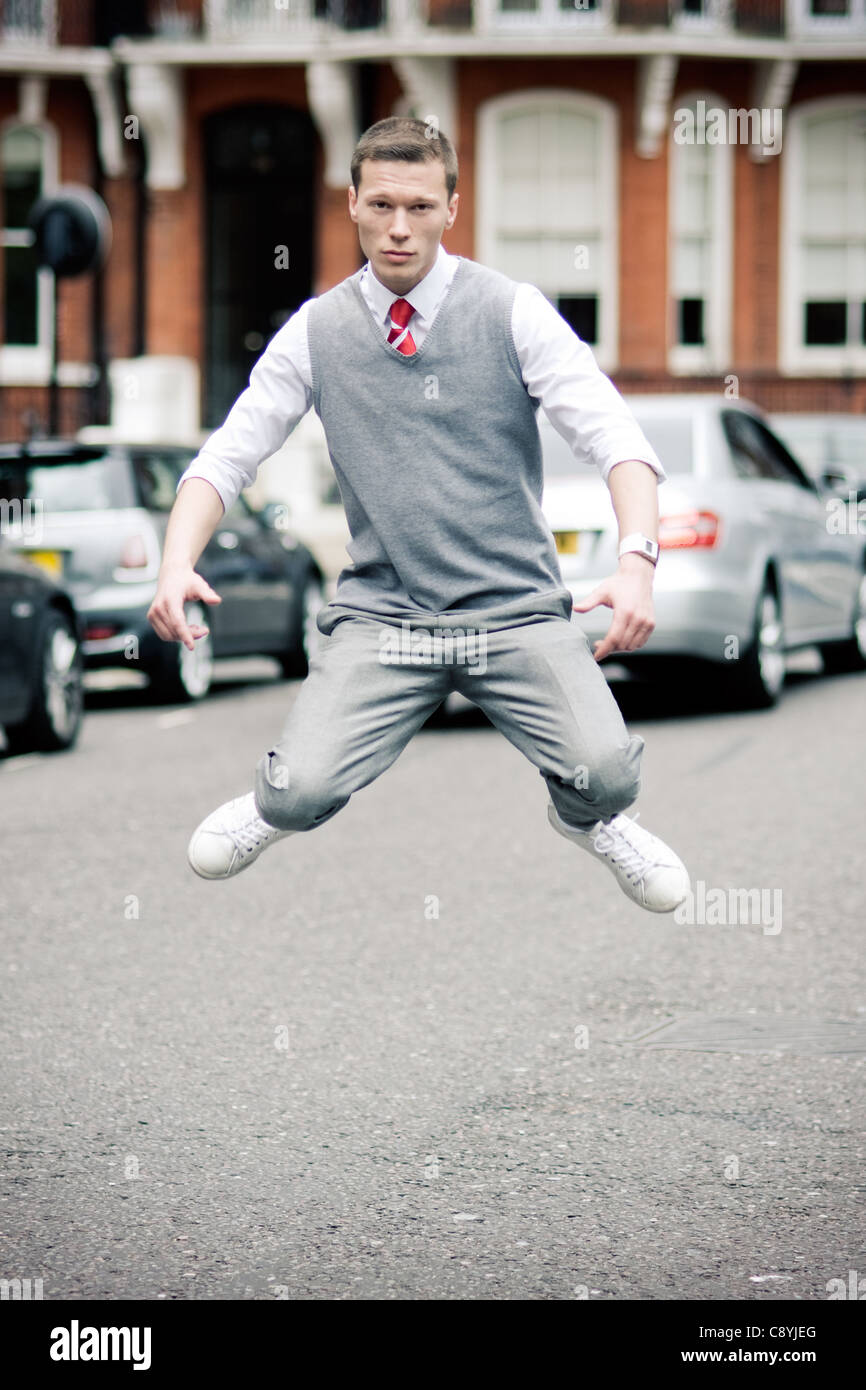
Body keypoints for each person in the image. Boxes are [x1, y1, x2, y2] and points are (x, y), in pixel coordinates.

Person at [147, 116, 690, 914]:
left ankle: (592, 819)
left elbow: (619, 443)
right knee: (299, 794)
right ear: (353, 203)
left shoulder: (513, 313)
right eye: (383, 206)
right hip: (386, 616)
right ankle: (275, 804)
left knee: (606, 772)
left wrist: (637, 562)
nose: (400, 228)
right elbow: (227, 457)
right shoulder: (316, 331)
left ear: (452, 208)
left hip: (513, 610)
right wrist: (174, 562)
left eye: (422, 208)